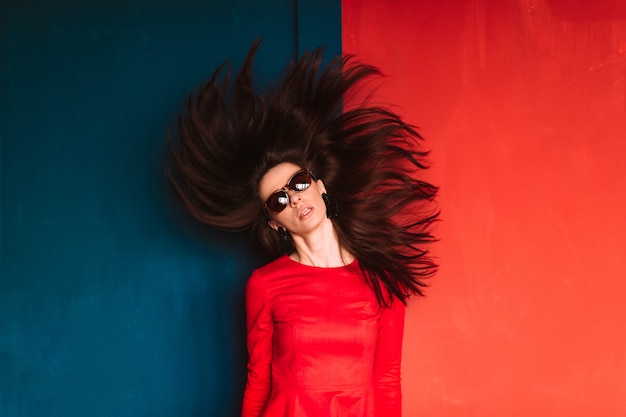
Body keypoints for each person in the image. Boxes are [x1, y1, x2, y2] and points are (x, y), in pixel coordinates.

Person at [167, 41, 439, 417]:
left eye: (297, 184)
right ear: (273, 221)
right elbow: (258, 380)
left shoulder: (382, 277)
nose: (293, 199)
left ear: (320, 187)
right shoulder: (264, 284)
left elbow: (388, 379)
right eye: (278, 200)